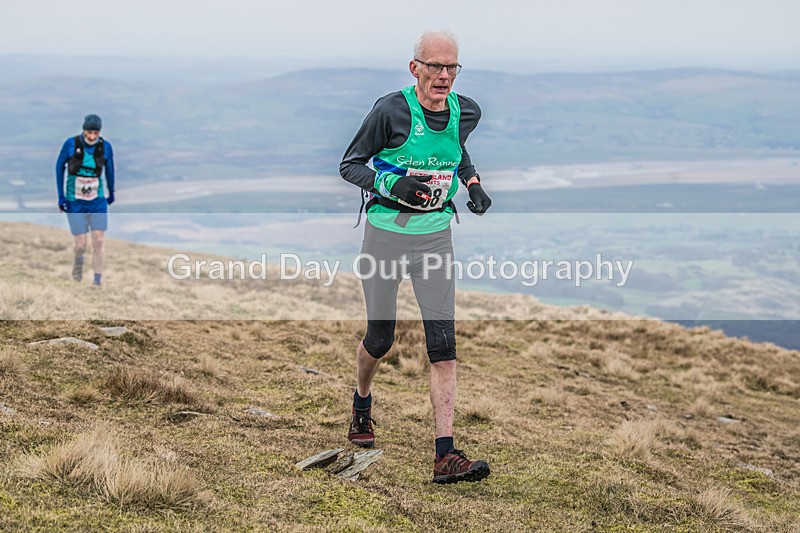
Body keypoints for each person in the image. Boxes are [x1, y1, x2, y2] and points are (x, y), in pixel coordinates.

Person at [340, 30, 493, 484]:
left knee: (443, 350)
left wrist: (473, 185)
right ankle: (362, 404)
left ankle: (445, 454)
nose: (444, 75)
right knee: (381, 340)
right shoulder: (390, 110)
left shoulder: (467, 112)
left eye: (452, 67)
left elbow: (457, 152)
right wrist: (393, 186)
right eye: (435, 66)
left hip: (435, 241)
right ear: (416, 69)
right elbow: (350, 164)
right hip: (385, 239)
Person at [56, 114, 115, 287]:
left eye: (95, 133)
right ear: (83, 130)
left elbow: (110, 170)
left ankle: (97, 281)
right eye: (89, 132)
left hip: (97, 200)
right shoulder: (70, 144)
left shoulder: (106, 147)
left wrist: (111, 192)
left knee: (98, 240)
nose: (92, 137)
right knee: (81, 243)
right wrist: (61, 196)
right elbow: (59, 168)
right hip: (75, 201)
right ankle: (78, 260)